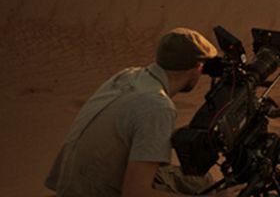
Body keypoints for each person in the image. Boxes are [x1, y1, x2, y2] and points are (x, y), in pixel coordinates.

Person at [45, 27, 220, 197]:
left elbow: (126, 124)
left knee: (198, 181)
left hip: (72, 184)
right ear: (198, 66)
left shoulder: (128, 76)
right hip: (97, 192)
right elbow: (136, 193)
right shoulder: (157, 106)